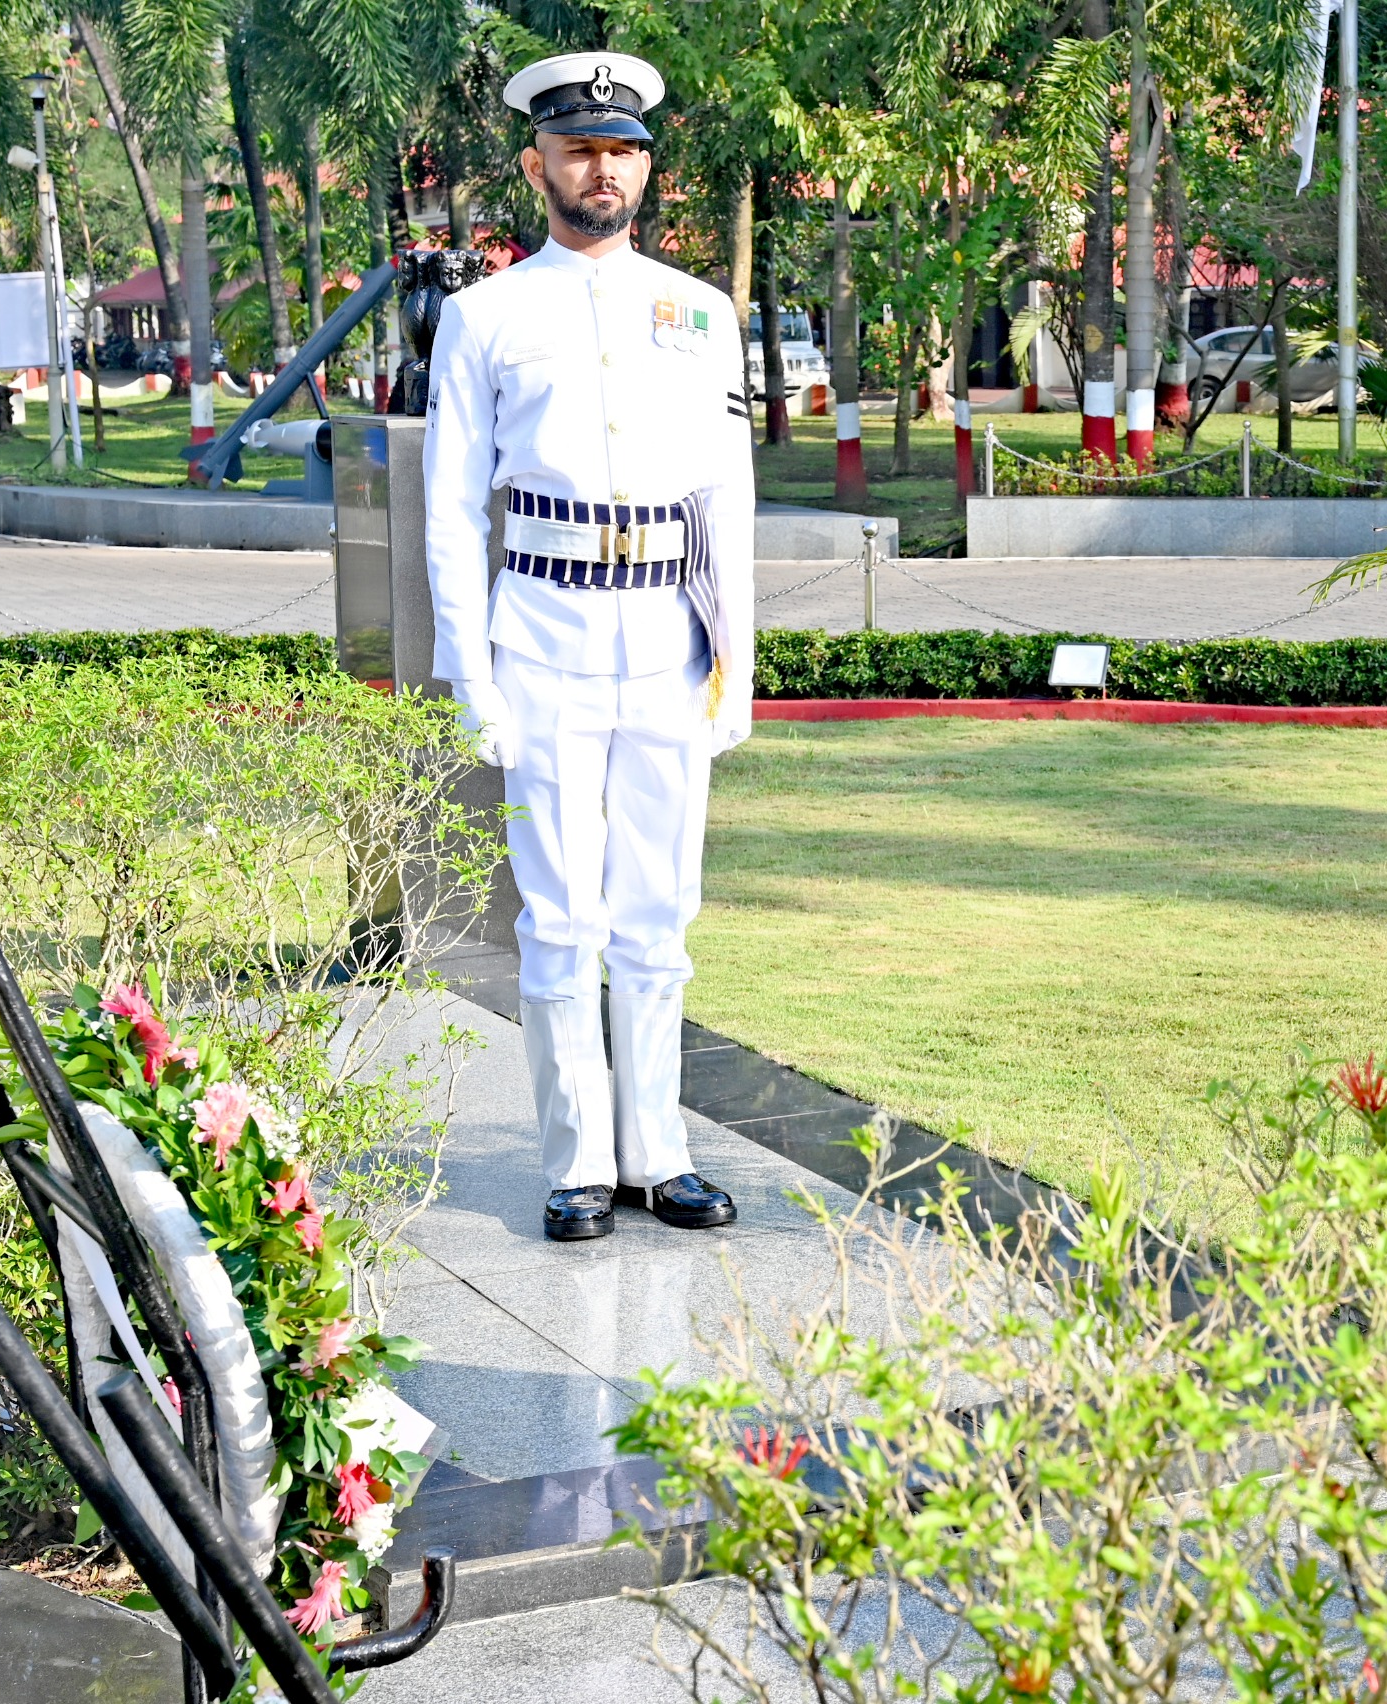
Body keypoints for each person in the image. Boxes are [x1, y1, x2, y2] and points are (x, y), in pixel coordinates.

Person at [420, 51, 756, 1242]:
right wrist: (472, 676)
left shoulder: (700, 314)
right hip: (546, 641)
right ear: (536, 166)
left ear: (645, 168)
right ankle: (576, 1163)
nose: (599, 170)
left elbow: (727, 496)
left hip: (668, 638)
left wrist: (736, 666)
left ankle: (658, 1154)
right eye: (577, 150)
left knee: (659, 911)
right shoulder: (484, 316)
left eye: (619, 150)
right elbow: (452, 513)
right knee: (559, 917)